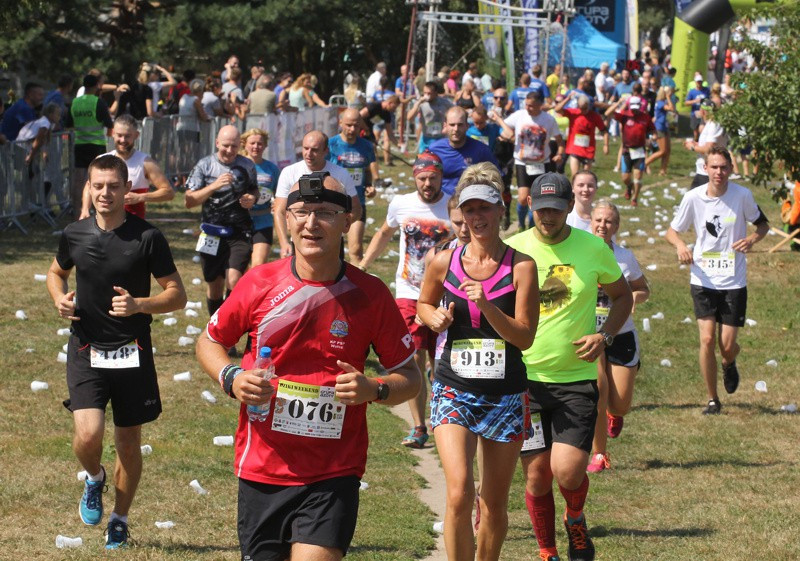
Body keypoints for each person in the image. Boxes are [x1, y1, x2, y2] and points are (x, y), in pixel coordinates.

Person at [195, 173, 421, 561]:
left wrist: (375, 389)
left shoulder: (370, 294)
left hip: (334, 471)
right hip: (262, 467)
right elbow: (210, 341)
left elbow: (411, 377)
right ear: (287, 220)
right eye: (301, 212)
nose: (311, 223)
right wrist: (231, 377)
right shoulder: (259, 282)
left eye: (326, 213)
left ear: (347, 221)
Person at [46, 154, 187, 549]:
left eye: (113, 186)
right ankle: (94, 478)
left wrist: (140, 304)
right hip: (86, 347)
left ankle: (120, 519)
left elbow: (178, 294)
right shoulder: (74, 233)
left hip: (132, 352)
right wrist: (60, 298)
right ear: (88, 188)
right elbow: (56, 272)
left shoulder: (147, 237)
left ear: (128, 189)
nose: (105, 193)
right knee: (88, 435)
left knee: (128, 442)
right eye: (97, 185)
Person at [506, 172, 633, 561]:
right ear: (530, 206)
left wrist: (605, 336)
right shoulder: (512, 249)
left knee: (568, 472)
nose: (548, 216)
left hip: (576, 379)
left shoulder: (593, 248)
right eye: (542, 209)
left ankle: (575, 519)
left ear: (568, 209)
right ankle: (548, 551)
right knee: (536, 475)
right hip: (524, 379)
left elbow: (622, 296)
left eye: (557, 210)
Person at [417, 163, 539, 561]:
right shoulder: (444, 260)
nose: (476, 218)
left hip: (505, 393)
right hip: (454, 387)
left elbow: (524, 336)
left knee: (492, 503)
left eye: (484, 209)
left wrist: (487, 305)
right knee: (458, 492)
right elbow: (424, 302)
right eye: (469, 210)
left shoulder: (521, 266)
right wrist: (431, 317)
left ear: (500, 210)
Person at [358, 151, 452, 448]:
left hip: (445, 294)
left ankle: (443, 419)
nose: (427, 183)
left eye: (433, 178)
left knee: (442, 362)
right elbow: (384, 233)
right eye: (422, 178)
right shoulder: (401, 203)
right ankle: (419, 425)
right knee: (413, 358)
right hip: (409, 292)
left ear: (440, 176)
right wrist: (362, 266)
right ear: (415, 177)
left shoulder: (453, 204)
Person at [666, 146, 769, 415]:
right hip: (702, 277)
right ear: (705, 169)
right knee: (707, 339)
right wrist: (680, 246)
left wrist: (751, 240)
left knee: (726, 345)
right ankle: (712, 398)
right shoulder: (693, 197)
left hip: (733, 280)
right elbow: (672, 231)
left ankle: (729, 361)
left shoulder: (742, 195)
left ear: (731, 169)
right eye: (714, 167)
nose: (719, 172)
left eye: (724, 167)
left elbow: (763, 226)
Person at [586, 200, 650, 473]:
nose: (603, 225)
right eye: (599, 220)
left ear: (616, 226)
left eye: (609, 221)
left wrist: (634, 297)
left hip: (621, 334)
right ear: (591, 222)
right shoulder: (579, 253)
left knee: (619, 403)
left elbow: (642, 287)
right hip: (590, 334)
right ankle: (599, 454)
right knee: (598, 390)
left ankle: (616, 414)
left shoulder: (625, 257)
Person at [184, 125, 258, 319]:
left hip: (239, 232)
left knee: (234, 280)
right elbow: (189, 201)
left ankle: (228, 324)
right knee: (214, 286)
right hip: (211, 233)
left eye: (234, 146)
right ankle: (216, 328)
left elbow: (254, 190)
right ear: (217, 143)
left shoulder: (247, 165)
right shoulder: (204, 165)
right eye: (225, 145)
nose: (229, 150)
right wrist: (214, 185)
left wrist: (252, 198)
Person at [273, 131, 361, 258]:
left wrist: (336, 227)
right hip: (299, 244)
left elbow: (356, 209)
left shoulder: (341, 174)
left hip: (332, 245)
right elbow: (279, 210)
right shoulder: (289, 172)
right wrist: (284, 243)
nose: (308, 154)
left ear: (326, 151)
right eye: (305, 148)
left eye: (314, 150)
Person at [491, 90, 564, 230]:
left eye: (531, 106)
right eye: (526, 104)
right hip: (522, 163)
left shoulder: (549, 120)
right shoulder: (519, 115)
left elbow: (560, 141)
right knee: (523, 198)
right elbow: (504, 128)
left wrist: (560, 153)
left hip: (543, 163)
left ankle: (532, 226)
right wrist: (505, 134)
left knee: (538, 198)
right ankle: (521, 224)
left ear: (540, 105)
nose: (527, 108)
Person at [79, 114, 174, 220]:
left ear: (136, 135)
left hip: (133, 227)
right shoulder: (101, 160)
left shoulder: (146, 162)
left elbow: (168, 192)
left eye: (127, 136)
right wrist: (85, 210)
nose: (123, 140)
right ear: (112, 134)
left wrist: (140, 197)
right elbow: (89, 187)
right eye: (119, 135)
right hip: (105, 225)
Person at [328, 108, 380, 262]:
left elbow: (367, 169)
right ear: (341, 123)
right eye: (348, 125)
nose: (352, 129)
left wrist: (369, 186)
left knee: (356, 249)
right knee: (332, 251)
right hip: (333, 203)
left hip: (357, 202)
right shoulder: (330, 145)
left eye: (356, 126)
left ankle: (355, 283)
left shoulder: (366, 146)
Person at [67, 74, 113, 219]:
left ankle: (77, 211)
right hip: (97, 146)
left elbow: (68, 124)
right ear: (97, 86)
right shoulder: (98, 102)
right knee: (99, 178)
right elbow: (109, 123)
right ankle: (97, 210)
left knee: (79, 179)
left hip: (80, 145)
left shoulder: (75, 102)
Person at [428, 106, 499, 197]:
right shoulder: (434, 150)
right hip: (441, 203)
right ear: (445, 126)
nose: (456, 129)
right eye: (452, 125)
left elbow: (496, 178)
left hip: (471, 203)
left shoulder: (481, 150)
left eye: (460, 125)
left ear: (467, 126)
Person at [241, 128, 281, 266]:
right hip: (240, 221)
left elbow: (279, 195)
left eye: (259, 143)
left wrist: (280, 205)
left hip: (263, 221)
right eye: (252, 143)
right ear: (244, 144)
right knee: (238, 266)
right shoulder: (237, 166)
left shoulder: (272, 169)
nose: (256, 147)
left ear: (265, 145)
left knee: (258, 264)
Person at [606, 94, 655, 207]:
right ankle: (629, 187)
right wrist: (619, 103)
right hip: (627, 151)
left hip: (639, 151)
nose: (634, 110)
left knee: (638, 176)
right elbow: (608, 113)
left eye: (636, 107)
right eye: (632, 107)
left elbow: (652, 130)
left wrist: (653, 137)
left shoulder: (645, 117)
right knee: (625, 178)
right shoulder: (624, 115)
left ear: (640, 106)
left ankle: (635, 198)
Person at [554, 92, 608, 176]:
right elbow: (557, 109)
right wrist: (567, 99)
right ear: (578, 106)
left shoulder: (595, 116)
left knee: (585, 176)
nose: (583, 111)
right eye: (581, 108)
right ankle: (573, 189)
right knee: (575, 176)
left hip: (588, 150)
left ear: (589, 106)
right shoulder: (573, 113)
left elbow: (604, 131)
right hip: (574, 149)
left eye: (585, 108)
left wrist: (606, 145)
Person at [684, 98, 727, 189]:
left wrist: (692, 147)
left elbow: (709, 149)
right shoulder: (710, 124)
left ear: (703, 111)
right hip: (704, 171)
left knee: (692, 200)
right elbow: (710, 145)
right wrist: (696, 144)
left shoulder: (713, 124)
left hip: (707, 173)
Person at [407, 81, 453, 153]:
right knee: (424, 162)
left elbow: (456, 111)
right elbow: (409, 118)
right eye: (424, 93)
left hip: (441, 138)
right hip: (426, 139)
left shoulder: (444, 102)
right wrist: (418, 103)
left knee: (440, 162)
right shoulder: (421, 103)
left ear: (435, 93)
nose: (426, 95)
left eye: (429, 93)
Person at [360, 94, 400, 167]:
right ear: (390, 103)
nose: (394, 110)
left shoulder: (387, 114)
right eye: (394, 107)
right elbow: (359, 116)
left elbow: (390, 133)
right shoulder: (374, 106)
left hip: (368, 131)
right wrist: (365, 128)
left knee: (372, 151)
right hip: (358, 129)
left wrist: (398, 144)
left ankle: (373, 173)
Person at [645, 85, 675, 176]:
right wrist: (668, 97)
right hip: (659, 128)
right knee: (662, 151)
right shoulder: (661, 102)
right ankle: (644, 163)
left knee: (667, 150)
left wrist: (670, 95)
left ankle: (663, 171)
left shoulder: (662, 102)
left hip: (664, 127)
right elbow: (672, 109)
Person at [684, 74, 711, 141]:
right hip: (695, 113)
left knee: (703, 130)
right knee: (696, 132)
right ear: (695, 82)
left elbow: (710, 99)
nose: (699, 83)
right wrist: (695, 101)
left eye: (700, 81)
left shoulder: (706, 90)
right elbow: (686, 103)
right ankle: (696, 142)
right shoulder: (692, 92)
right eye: (698, 82)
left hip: (705, 113)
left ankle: (702, 144)